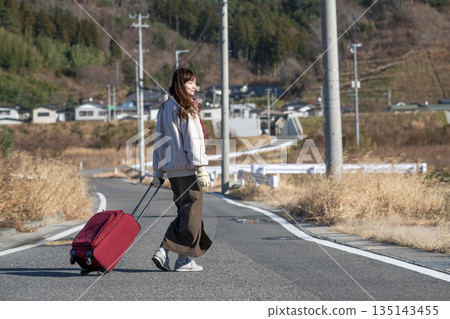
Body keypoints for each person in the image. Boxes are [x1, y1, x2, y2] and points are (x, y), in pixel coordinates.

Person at [151, 68, 212, 272]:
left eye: (195, 82)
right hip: (187, 170)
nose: (194, 86)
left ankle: (183, 259)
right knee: (192, 214)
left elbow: (160, 142)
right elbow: (193, 141)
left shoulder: (165, 107)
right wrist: (201, 168)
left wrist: (158, 172)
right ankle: (165, 250)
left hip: (172, 172)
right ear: (180, 84)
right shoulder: (186, 107)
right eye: (189, 83)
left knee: (187, 214)